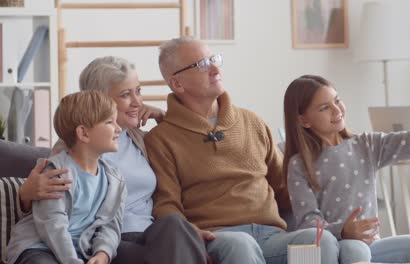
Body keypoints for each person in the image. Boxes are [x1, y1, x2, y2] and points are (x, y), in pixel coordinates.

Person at [143, 36, 339, 264]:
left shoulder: (251, 122)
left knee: (319, 242)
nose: (215, 69)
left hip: (273, 240)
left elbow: (286, 187)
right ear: (177, 83)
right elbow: (166, 204)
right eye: (202, 64)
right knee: (241, 245)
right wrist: (188, 232)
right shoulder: (161, 139)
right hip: (218, 240)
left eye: (213, 59)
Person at [16, 56, 207, 264]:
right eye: (126, 94)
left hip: (148, 233)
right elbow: (53, 211)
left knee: (175, 225)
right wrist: (25, 195)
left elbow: (188, 155)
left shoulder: (139, 138)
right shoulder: (74, 148)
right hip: (107, 240)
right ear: (100, 100)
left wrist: (165, 119)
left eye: (138, 91)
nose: (138, 102)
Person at [283, 73, 410, 264]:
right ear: (304, 121)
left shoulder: (367, 145)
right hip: (339, 247)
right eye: (324, 108)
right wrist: (343, 230)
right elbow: (308, 224)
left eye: (337, 100)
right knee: (356, 250)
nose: (336, 110)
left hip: (375, 247)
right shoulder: (299, 165)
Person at [8, 90, 124, 264]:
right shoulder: (55, 170)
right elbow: (52, 224)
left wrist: (103, 253)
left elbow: (110, 225)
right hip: (39, 248)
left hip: (82, 250)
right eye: (109, 122)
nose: (119, 128)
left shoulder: (115, 180)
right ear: (84, 133)